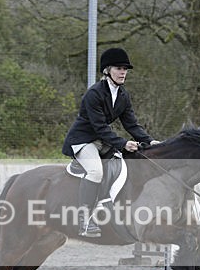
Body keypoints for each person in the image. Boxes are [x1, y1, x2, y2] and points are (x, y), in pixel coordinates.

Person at [62, 47, 159, 237]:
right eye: (118, 68)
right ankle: (84, 220)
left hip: (101, 140)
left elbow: (131, 124)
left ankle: (107, 206)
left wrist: (150, 141)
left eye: (125, 69)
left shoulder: (123, 95)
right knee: (96, 171)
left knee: (122, 165)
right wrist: (123, 144)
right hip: (83, 140)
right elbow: (99, 127)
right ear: (107, 70)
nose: (123, 72)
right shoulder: (94, 94)